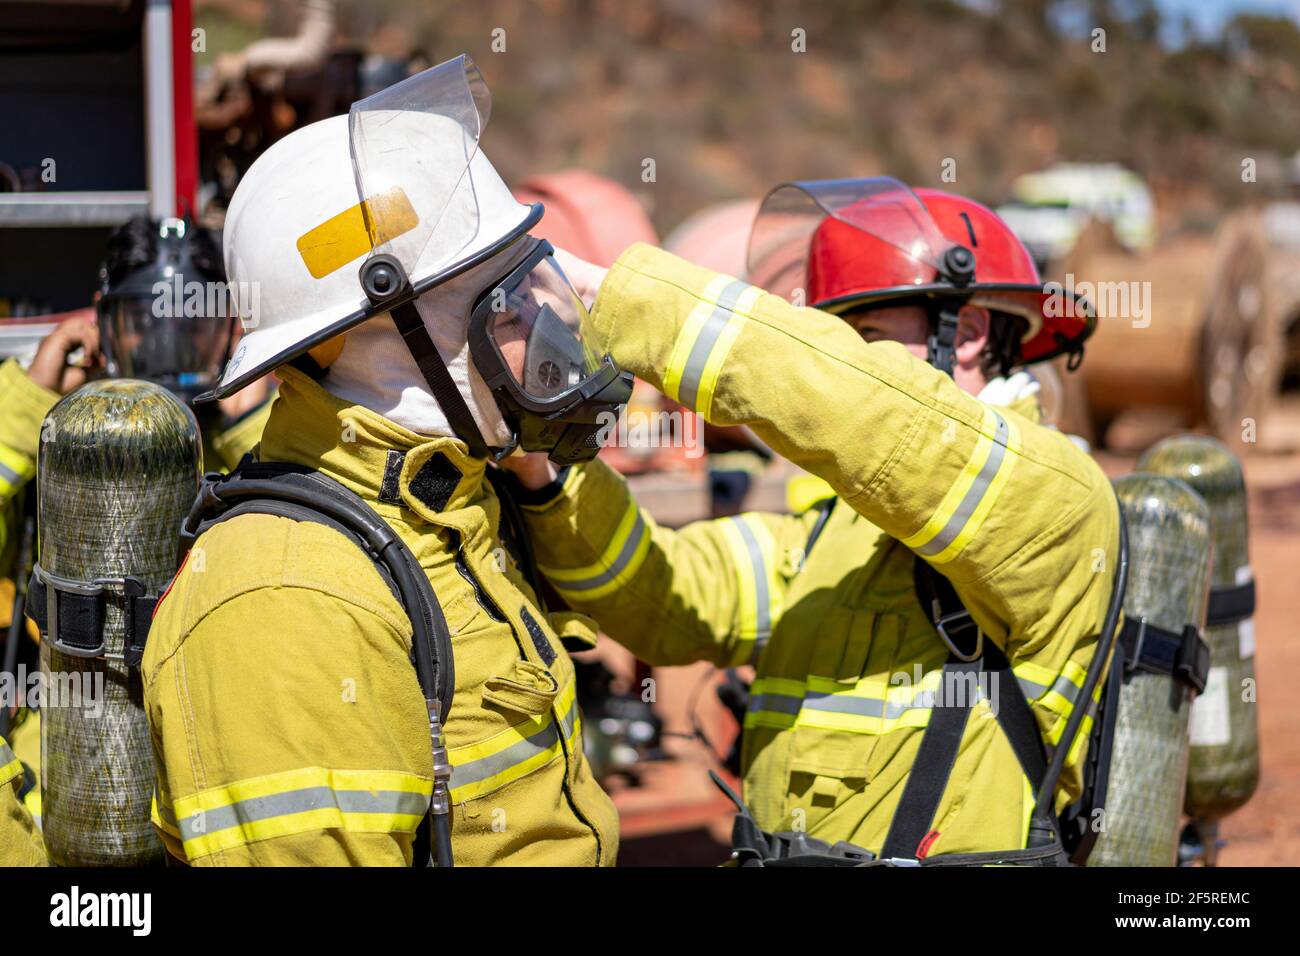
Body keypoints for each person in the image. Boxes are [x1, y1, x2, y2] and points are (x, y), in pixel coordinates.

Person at [502, 179, 1120, 863]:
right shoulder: (838, 525)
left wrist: (607, 297)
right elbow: (665, 599)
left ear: (968, 335)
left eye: (868, 341)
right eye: (837, 342)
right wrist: (547, 472)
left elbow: (876, 417)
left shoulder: (1059, 501)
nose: (844, 360)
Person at [142, 57, 628, 866]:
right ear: (385, 338)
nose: (543, 322)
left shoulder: (455, 508)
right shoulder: (285, 602)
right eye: (503, 301)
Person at [0, 214, 271, 846]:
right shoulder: (60, 445)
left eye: (191, 327)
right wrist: (29, 408)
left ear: (230, 329)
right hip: (69, 780)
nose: (164, 349)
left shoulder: (251, 449)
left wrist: (248, 424)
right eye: (143, 322)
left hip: (217, 781)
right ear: (101, 323)